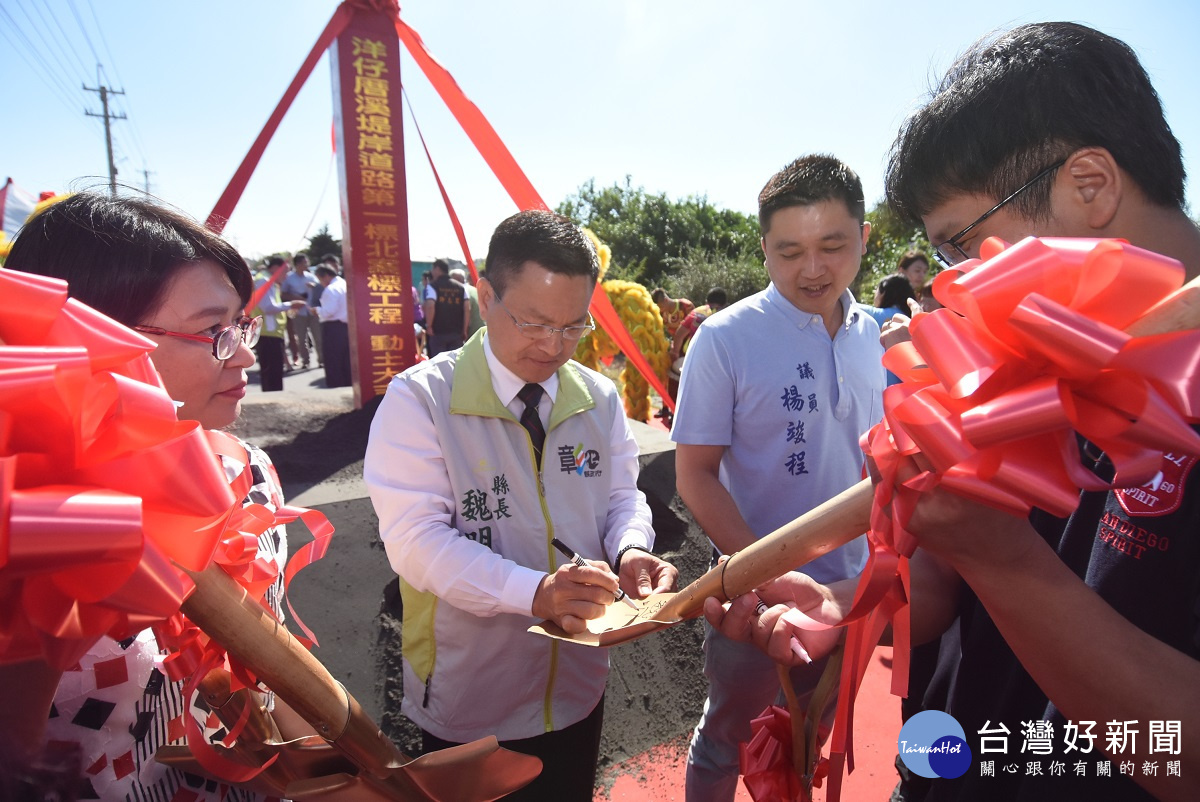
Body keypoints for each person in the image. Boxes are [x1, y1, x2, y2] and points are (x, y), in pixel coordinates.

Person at [707, 22, 1200, 802]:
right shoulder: (1024, 356)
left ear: (1091, 185)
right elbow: (942, 588)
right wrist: (844, 605)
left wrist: (1007, 561)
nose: (949, 286)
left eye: (961, 246)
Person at [363, 209, 679, 801]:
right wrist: (535, 593)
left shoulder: (598, 397)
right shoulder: (422, 401)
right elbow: (415, 543)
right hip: (470, 698)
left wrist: (632, 547)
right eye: (533, 322)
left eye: (572, 327)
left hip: (578, 685)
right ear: (485, 296)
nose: (552, 346)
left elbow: (621, 495)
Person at [2, 191, 291, 802]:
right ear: (88, 337)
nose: (244, 353)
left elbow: (268, 656)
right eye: (213, 331)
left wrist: (350, 765)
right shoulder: (29, 519)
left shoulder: (249, 471)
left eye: (241, 324)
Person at [672, 155, 884, 802]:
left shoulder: (876, 334)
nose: (812, 269)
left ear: (865, 239)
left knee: (808, 737)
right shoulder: (725, 339)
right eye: (789, 251)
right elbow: (696, 476)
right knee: (729, 739)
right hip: (752, 600)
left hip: (851, 593)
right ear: (763, 247)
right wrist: (760, 576)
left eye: (832, 246)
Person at [858, 274, 917, 387]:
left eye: (877, 290)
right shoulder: (910, 319)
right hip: (906, 388)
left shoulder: (872, 315)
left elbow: (842, 304)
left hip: (879, 387)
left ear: (883, 293)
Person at [249, 258, 293, 391]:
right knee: (272, 372)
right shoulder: (263, 281)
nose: (285, 277)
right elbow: (268, 307)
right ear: (275, 268)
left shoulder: (268, 281)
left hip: (271, 332)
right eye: (285, 272)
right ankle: (273, 401)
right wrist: (290, 305)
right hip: (268, 333)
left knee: (274, 371)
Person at [280, 253, 322, 369]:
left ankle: (321, 360)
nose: (306, 264)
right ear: (298, 264)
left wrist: (314, 286)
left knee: (318, 337)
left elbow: (320, 291)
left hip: (312, 310)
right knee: (301, 337)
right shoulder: (289, 278)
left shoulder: (311, 276)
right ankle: (306, 361)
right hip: (298, 312)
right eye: (304, 262)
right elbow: (283, 294)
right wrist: (296, 298)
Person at [423, 257, 471, 356]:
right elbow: (467, 309)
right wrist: (464, 330)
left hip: (438, 333)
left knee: (438, 365)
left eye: (433, 269)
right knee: (454, 364)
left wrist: (429, 325)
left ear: (437, 269)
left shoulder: (433, 286)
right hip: (456, 333)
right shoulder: (462, 288)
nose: (432, 272)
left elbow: (430, 306)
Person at [313, 264, 351, 388]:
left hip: (333, 328)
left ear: (326, 276)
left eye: (320, 279)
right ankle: (346, 385)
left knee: (333, 360)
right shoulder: (345, 284)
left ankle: (335, 386)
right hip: (347, 327)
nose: (321, 283)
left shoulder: (331, 289)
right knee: (346, 360)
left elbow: (328, 311)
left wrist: (317, 310)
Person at [451, 265, 485, 337]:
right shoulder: (473, 289)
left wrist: (464, 331)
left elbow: (467, 310)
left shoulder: (462, 291)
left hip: (472, 332)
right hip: (483, 328)